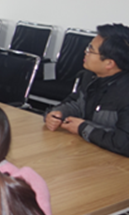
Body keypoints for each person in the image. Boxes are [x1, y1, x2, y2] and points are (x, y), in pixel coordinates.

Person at [45, 23, 129, 157]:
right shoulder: (90, 76)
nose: (85, 52)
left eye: (91, 50)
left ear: (109, 63)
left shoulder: (125, 93)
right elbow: (76, 103)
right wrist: (57, 114)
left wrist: (82, 128)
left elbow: (124, 143)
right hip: (89, 151)